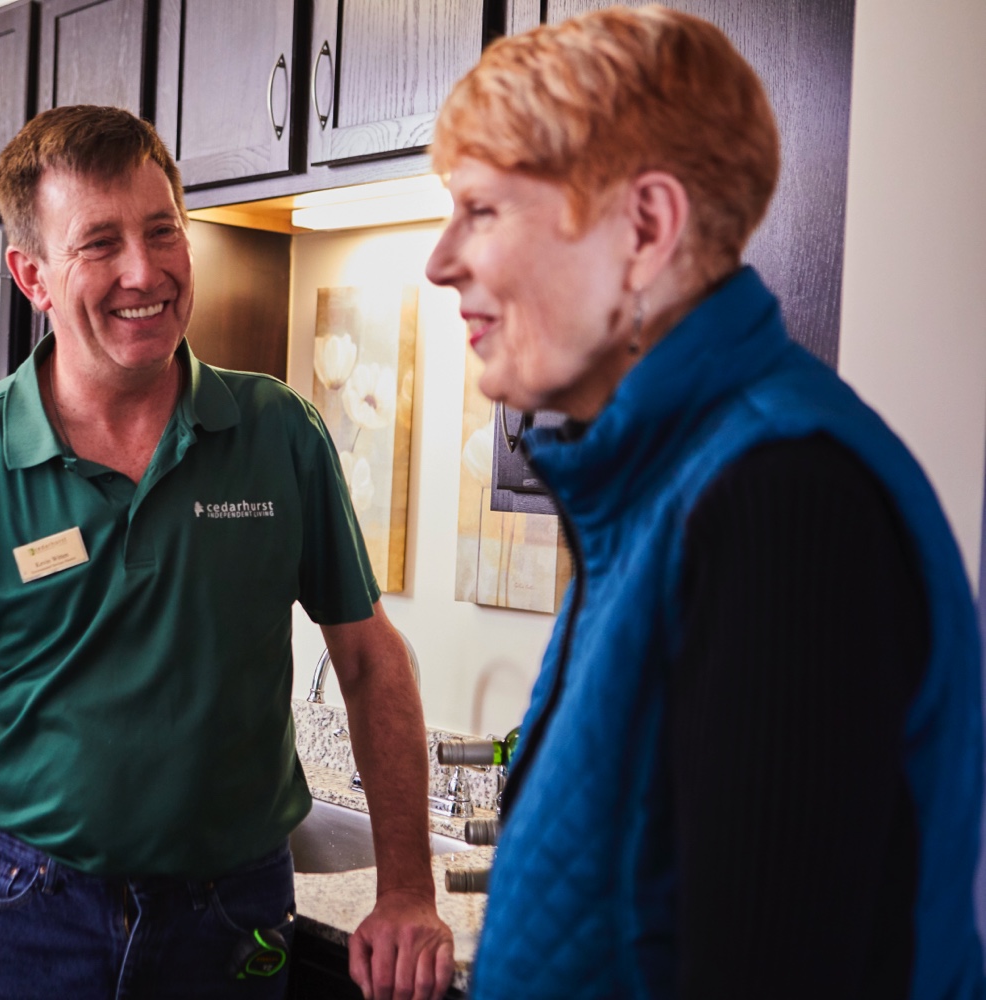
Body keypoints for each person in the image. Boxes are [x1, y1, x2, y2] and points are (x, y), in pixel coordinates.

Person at [424, 6, 984, 999]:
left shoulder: (784, 507)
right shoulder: (665, 489)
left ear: (645, 228)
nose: (441, 259)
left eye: (482, 210)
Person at [0, 104, 454, 1000]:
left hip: (234, 920)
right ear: (34, 276)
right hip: (30, 918)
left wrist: (407, 886)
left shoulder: (278, 432)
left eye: (163, 229)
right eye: (98, 244)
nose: (146, 270)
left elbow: (368, 662)